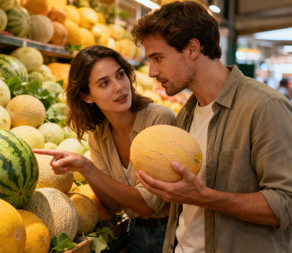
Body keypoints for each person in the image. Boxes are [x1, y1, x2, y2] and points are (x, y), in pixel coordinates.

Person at [131, 1, 292, 252]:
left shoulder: (265, 107)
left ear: (192, 48)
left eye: (158, 58)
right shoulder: (185, 114)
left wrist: (205, 197)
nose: (151, 71)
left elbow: (286, 204)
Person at [33, 45, 176, 253]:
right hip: (137, 233)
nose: (119, 87)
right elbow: (113, 206)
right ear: (87, 96)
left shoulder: (159, 119)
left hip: (171, 233)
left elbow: (147, 205)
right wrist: (84, 167)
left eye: (120, 75)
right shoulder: (98, 134)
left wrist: (89, 168)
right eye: (104, 83)